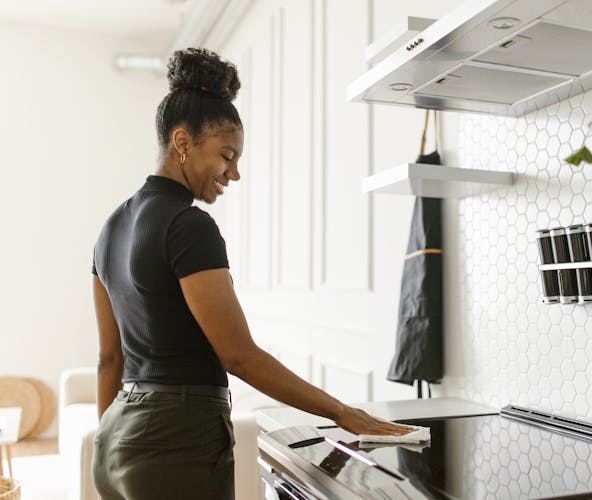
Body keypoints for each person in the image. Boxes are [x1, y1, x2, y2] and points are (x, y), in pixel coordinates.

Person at [91, 47, 410, 500]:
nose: (233, 173)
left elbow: (109, 359)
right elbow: (238, 355)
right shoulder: (189, 226)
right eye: (227, 155)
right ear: (183, 142)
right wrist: (343, 412)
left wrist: (107, 440)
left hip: (115, 440)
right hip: (175, 442)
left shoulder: (110, 227)